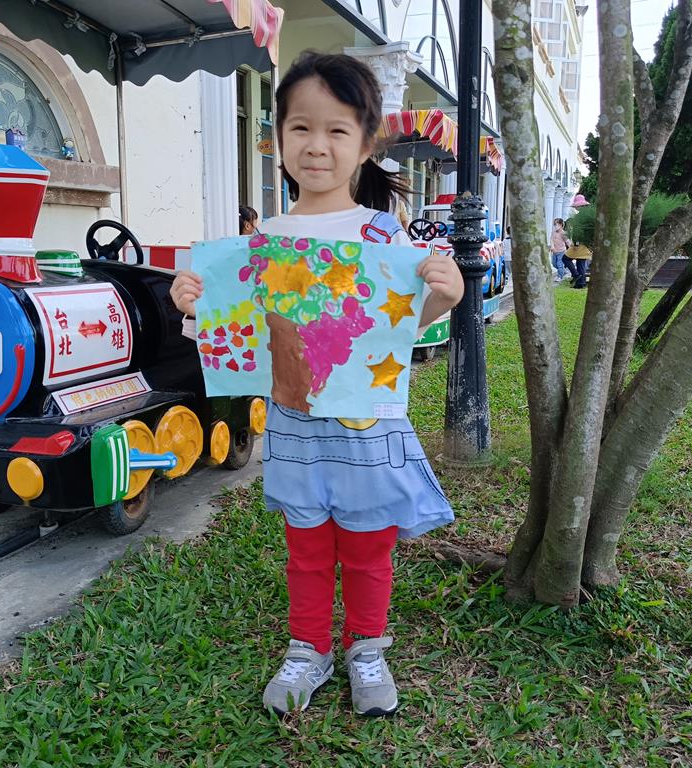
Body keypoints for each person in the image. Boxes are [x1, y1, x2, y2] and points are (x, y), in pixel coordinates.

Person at [170, 52, 463, 718]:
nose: (317, 145)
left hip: (368, 426)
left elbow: (399, 325)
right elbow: (241, 335)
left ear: (366, 142)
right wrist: (195, 305)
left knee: (368, 549)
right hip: (295, 426)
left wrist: (443, 297)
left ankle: (366, 649)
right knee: (305, 549)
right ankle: (309, 649)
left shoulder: (384, 237)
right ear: (278, 138)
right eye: (301, 127)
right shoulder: (262, 241)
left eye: (337, 130)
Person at [549, 218, 571, 282]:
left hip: (561, 252)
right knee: (554, 264)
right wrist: (552, 247)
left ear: (561, 225)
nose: (555, 226)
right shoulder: (553, 232)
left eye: (557, 225)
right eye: (555, 225)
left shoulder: (563, 233)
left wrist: (571, 248)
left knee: (559, 265)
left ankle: (560, 276)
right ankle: (564, 271)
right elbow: (551, 239)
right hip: (554, 251)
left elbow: (567, 242)